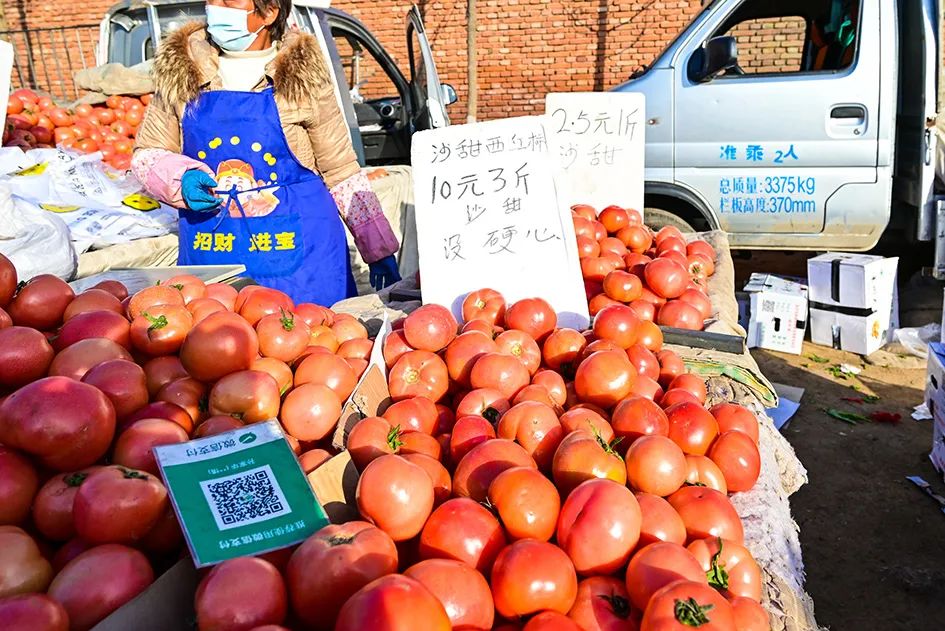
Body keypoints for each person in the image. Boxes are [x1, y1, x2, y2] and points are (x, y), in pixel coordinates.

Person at [132, 0, 401, 305]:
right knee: (214, 341)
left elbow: (341, 170)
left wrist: (378, 247)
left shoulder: (303, 75)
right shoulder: (181, 72)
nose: (215, 7)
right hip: (214, 246)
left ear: (269, 11)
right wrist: (180, 180)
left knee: (311, 342)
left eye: (229, 0)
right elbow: (147, 153)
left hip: (304, 258)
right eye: (212, 0)